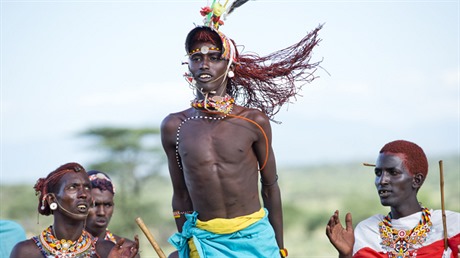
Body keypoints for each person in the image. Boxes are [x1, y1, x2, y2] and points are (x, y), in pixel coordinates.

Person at [160, 1, 322, 257]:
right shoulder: (175, 126)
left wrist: (278, 248)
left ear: (230, 67)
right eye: (196, 58)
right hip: (204, 241)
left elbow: (270, 187)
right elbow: (180, 195)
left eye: (215, 58)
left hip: (255, 239)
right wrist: (185, 243)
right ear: (188, 68)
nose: (204, 64)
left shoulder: (253, 121)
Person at [326, 140, 460, 257]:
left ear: (416, 180)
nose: (382, 181)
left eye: (393, 173)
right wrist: (346, 255)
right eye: (378, 173)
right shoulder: (367, 231)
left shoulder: (449, 226)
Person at [10, 162, 139, 258]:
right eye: (73, 187)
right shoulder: (25, 252)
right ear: (51, 200)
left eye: (87, 187)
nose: (83, 194)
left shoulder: (106, 250)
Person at [85, 170, 139, 256]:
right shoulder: (65, 248)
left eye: (107, 205)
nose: (102, 212)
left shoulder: (127, 249)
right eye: (95, 205)